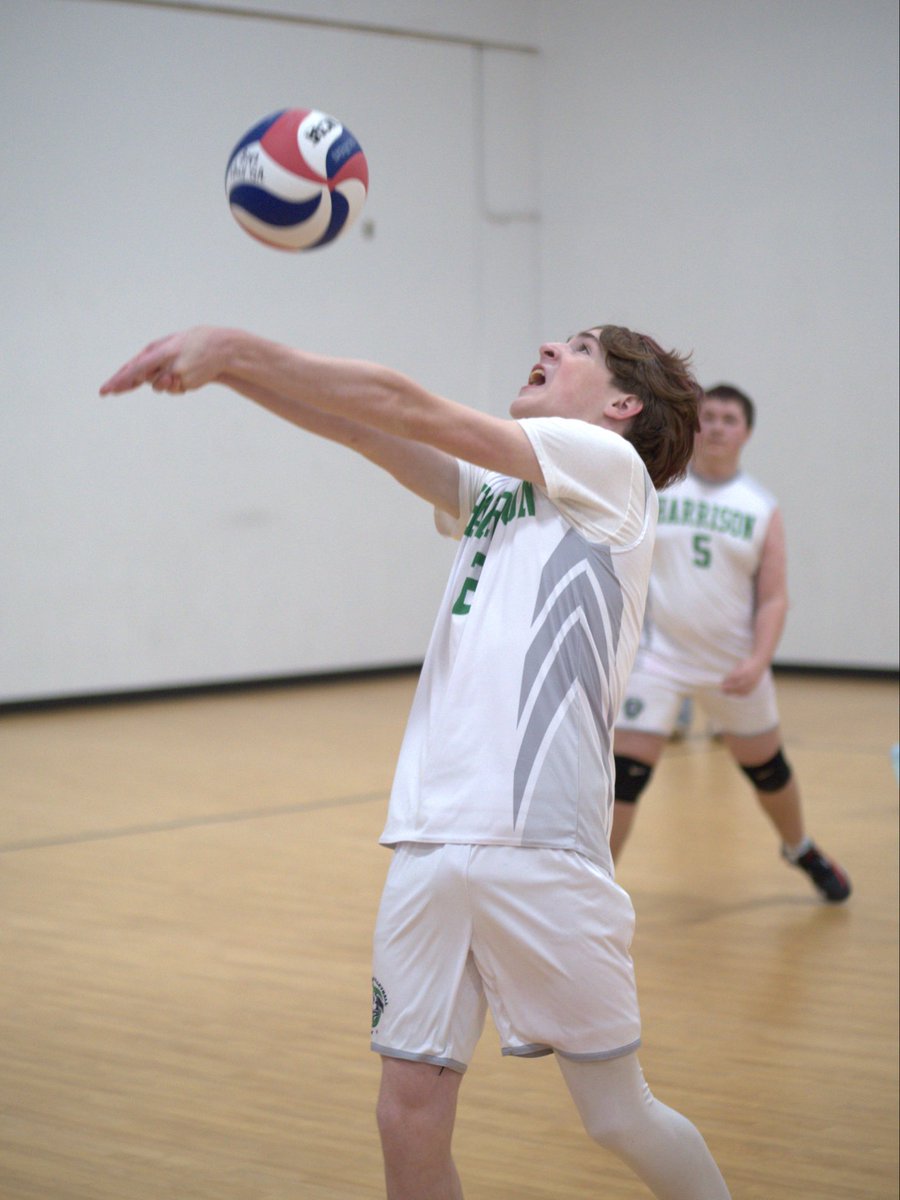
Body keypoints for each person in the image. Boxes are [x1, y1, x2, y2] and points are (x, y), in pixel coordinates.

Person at [101, 324, 732, 1199]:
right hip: (428, 837)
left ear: (622, 404)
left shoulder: (608, 469)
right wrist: (228, 378)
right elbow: (369, 427)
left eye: (580, 347)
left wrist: (235, 345)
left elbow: (407, 403)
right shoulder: (501, 491)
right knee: (407, 1111)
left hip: (537, 844)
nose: (548, 343)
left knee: (615, 1115)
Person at [612, 383, 851, 902]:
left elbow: (772, 599)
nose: (718, 426)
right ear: (693, 426)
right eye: (709, 417)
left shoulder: (761, 507)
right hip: (656, 658)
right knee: (623, 777)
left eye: (730, 419)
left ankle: (800, 846)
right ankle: (593, 891)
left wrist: (760, 660)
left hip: (732, 665)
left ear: (746, 432)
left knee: (768, 771)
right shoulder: (656, 490)